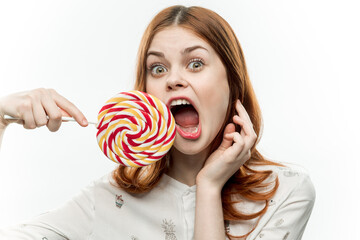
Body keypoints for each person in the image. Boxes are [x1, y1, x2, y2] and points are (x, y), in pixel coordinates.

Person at [0, 5, 315, 240]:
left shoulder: (285, 189)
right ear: (145, 92)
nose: (174, 79)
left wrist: (209, 187)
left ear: (232, 82)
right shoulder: (109, 199)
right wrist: (0, 117)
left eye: (195, 63)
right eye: (158, 68)